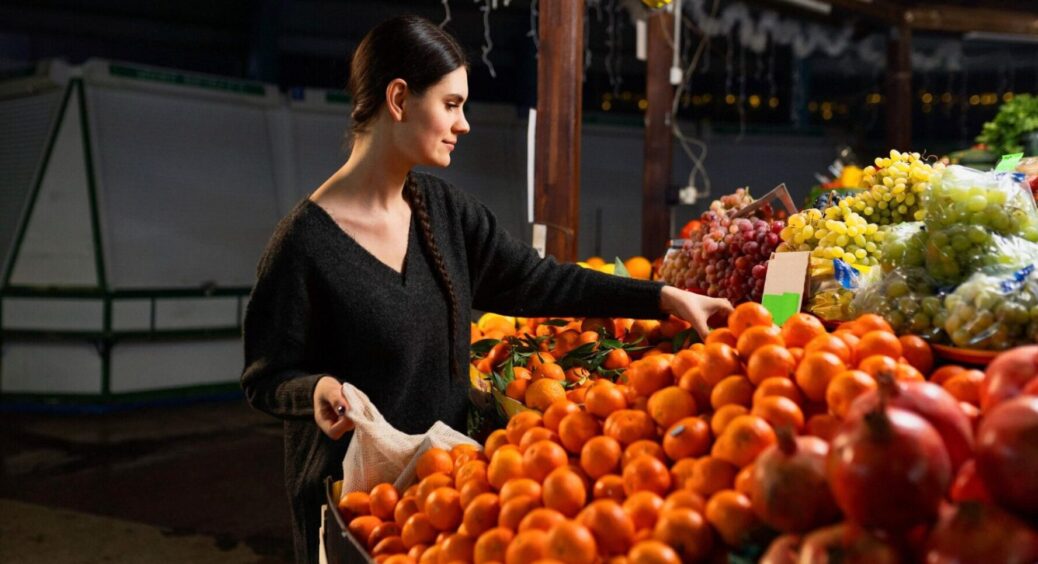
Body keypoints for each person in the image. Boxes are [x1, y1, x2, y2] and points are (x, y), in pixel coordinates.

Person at [240, 14, 732, 564]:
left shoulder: (446, 213)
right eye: (451, 105)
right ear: (399, 99)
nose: (465, 123)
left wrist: (661, 297)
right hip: (355, 513)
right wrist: (314, 389)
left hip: (447, 498)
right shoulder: (304, 245)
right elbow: (265, 376)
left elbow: (538, 281)